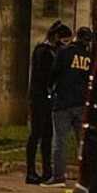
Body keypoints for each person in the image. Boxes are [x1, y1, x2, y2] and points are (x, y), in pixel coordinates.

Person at [43, 26, 93, 187]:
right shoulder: (89, 57)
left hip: (63, 101)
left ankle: (58, 176)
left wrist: (50, 89)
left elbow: (54, 73)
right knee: (82, 142)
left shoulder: (65, 52)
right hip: (81, 102)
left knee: (59, 141)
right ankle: (86, 177)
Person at [26, 22, 67, 184]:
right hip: (39, 97)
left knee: (48, 135)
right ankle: (30, 170)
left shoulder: (55, 51)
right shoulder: (43, 51)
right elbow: (46, 76)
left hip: (49, 97)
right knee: (37, 133)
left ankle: (47, 169)